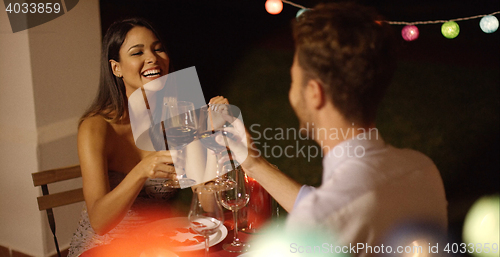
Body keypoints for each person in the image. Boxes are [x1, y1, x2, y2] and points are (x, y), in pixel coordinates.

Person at [219, 2, 448, 255]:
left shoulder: (320, 219)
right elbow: (337, 205)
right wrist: (253, 163)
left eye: (294, 79)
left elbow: (329, 212)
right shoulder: (423, 169)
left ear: (314, 94)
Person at [68, 18, 228, 256]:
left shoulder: (177, 116)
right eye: (137, 52)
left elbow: (209, 205)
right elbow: (100, 222)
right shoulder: (96, 128)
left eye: (158, 48)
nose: (152, 58)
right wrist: (143, 170)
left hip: (158, 244)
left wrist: (207, 135)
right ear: (116, 68)